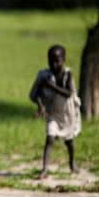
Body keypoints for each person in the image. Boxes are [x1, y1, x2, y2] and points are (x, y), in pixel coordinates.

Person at [29, 44, 81, 179]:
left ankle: (72, 163)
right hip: (53, 114)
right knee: (50, 138)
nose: (54, 64)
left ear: (64, 59)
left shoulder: (68, 75)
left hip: (67, 114)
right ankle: (45, 169)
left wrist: (52, 87)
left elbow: (68, 93)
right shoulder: (44, 76)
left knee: (69, 141)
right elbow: (34, 94)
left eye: (57, 61)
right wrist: (40, 106)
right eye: (51, 61)